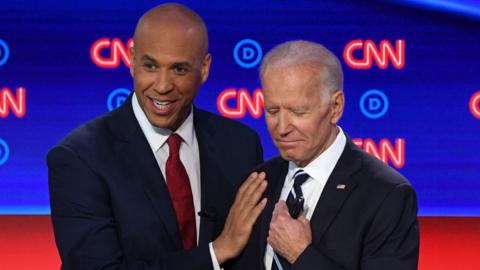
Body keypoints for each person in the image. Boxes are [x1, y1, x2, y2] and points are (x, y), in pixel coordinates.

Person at [47, 3, 266, 270]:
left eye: (179, 69)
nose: (162, 86)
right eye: (150, 66)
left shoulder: (240, 145)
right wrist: (215, 253)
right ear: (132, 60)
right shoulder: (81, 157)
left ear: (204, 68)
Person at [229, 40, 419, 270]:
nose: (281, 128)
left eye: (298, 112)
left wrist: (302, 255)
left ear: (335, 107)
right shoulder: (256, 183)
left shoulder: (387, 195)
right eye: (272, 111)